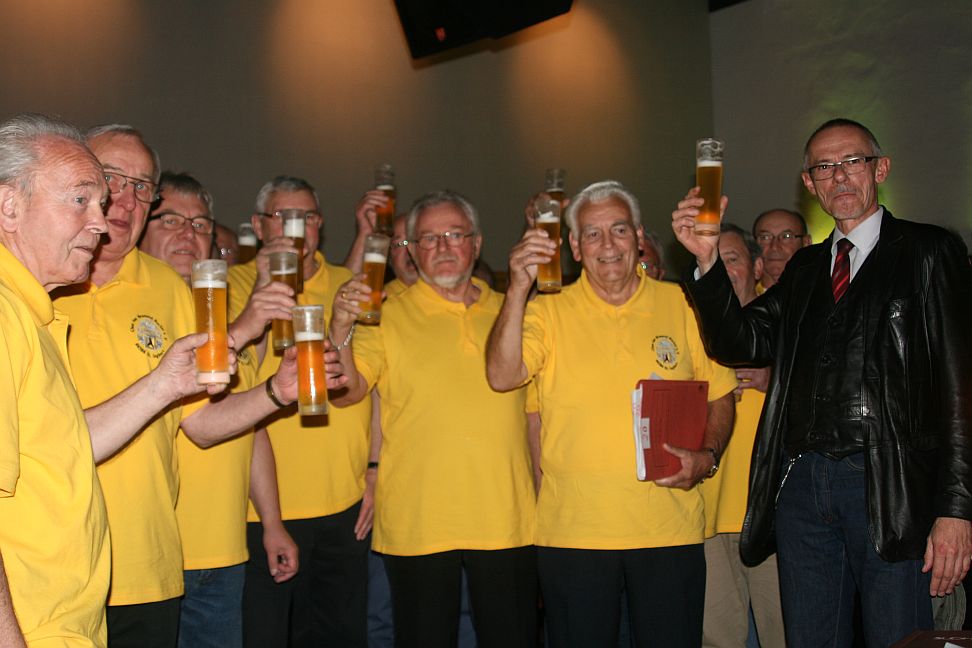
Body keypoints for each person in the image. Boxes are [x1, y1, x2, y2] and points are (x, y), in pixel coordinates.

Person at [672, 118, 972, 647]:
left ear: (880, 169)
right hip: (803, 483)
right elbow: (741, 343)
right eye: (824, 168)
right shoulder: (807, 267)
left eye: (852, 162)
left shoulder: (927, 251)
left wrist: (956, 510)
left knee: (897, 640)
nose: (840, 177)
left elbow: (959, 390)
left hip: (890, 482)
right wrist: (707, 261)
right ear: (808, 183)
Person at [52, 126, 331, 648]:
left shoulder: (170, 289)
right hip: (58, 565)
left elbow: (201, 423)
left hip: (151, 566)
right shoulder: (40, 278)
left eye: (141, 186)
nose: (125, 198)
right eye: (111, 178)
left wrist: (277, 391)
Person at [0, 114, 243, 646]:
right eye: (83, 198)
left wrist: (165, 384)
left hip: (72, 611)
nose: (104, 220)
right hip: (29, 620)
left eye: (136, 190)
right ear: (9, 205)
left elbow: (62, 449)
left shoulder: (30, 310)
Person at [487, 180, 736, 648]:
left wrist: (708, 456)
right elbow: (502, 376)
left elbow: (720, 394)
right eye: (593, 234)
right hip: (574, 536)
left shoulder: (683, 303)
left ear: (639, 237)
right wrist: (518, 287)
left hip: (669, 531)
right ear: (575, 248)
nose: (608, 245)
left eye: (619, 230)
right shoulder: (546, 311)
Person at [330, 190, 538, 648]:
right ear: (410, 250)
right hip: (419, 522)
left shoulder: (516, 311)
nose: (443, 247)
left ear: (478, 243)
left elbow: (537, 414)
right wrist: (341, 327)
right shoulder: (383, 316)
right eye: (428, 239)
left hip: (506, 517)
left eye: (454, 235)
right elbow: (346, 392)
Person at [139, 172, 301, 648]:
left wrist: (271, 523)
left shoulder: (215, 310)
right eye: (171, 219)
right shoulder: (129, 306)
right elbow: (199, 430)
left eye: (201, 223)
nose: (188, 233)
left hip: (225, 549)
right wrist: (247, 327)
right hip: (155, 555)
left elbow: (251, 429)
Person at [228, 176, 373, 647]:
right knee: (266, 637)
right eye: (283, 217)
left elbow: (368, 389)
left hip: (343, 502)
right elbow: (219, 378)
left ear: (320, 225)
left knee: (339, 636)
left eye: (307, 217)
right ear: (257, 225)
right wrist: (265, 289)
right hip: (262, 510)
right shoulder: (229, 286)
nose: (297, 229)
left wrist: (373, 470)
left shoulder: (350, 286)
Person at [697, 224, 784, 648]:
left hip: (775, 518)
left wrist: (777, 378)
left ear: (758, 267)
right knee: (717, 641)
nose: (720, 268)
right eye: (710, 259)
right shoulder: (692, 331)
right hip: (708, 517)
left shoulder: (787, 328)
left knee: (788, 636)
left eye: (729, 258)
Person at [751, 209, 810, 290]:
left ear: (806, 242)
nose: (774, 247)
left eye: (786, 236)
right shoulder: (741, 299)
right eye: (765, 237)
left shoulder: (825, 296)